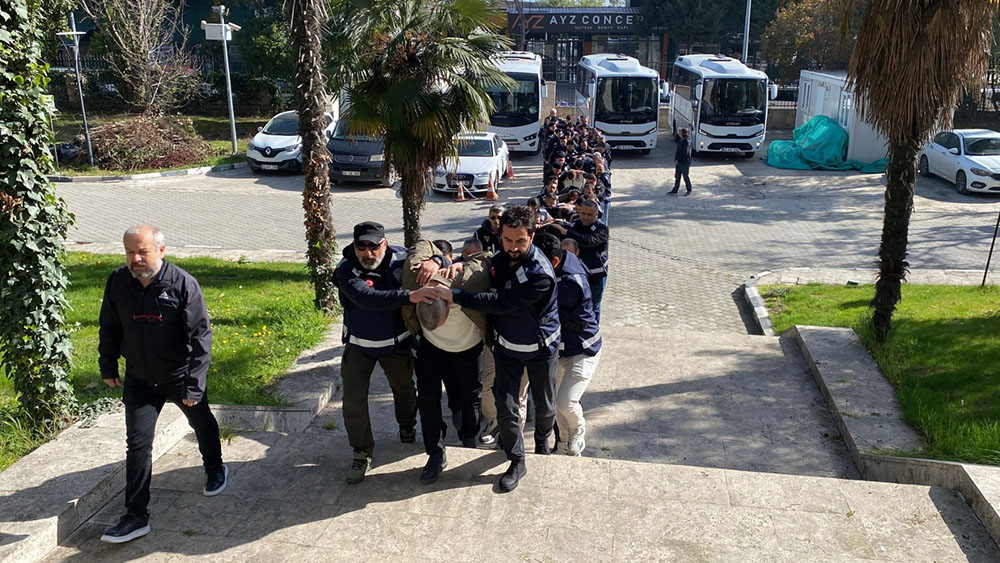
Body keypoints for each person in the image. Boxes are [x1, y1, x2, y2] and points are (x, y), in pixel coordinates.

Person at [98, 226, 226, 544]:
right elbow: (109, 325)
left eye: (143, 252)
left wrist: (194, 385)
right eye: (130, 252)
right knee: (138, 445)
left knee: (202, 423)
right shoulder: (118, 281)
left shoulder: (183, 284)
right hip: (140, 378)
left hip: (179, 375)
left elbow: (201, 337)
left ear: (161, 250)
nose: (136, 259)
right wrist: (108, 365)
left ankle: (215, 467)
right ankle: (135, 516)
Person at [436, 205, 560, 493]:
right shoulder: (501, 259)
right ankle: (517, 460)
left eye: (520, 241)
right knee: (505, 405)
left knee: (546, 406)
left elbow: (501, 303)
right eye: (507, 240)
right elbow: (481, 263)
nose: (513, 247)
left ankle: (542, 440)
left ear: (532, 236)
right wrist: (457, 265)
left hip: (540, 348)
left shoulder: (540, 275)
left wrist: (455, 295)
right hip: (507, 347)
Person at [334, 221, 438, 484]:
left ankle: (407, 428)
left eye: (373, 246)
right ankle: (361, 452)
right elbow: (367, 298)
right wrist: (410, 296)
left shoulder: (401, 259)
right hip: (359, 345)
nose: (368, 253)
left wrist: (434, 261)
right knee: (353, 401)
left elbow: (432, 248)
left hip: (396, 345)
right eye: (361, 247)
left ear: (385, 244)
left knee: (405, 391)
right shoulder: (346, 269)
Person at [401, 241, 490, 484]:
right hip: (431, 348)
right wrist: (437, 260)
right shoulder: (417, 276)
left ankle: (469, 436)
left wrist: (460, 266)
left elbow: (486, 257)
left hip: (468, 348)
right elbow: (422, 244)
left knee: (471, 396)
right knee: (427, 399)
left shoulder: (469, 283)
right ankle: (435, 452)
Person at [535, 234, 602, 456]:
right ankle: (564, 442)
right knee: (555, 403)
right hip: (562, 348)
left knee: (566, 401)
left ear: (554, 262)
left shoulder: (570, 283)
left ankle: (578, 430)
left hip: (583, 348)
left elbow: (539, 303)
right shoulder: (564, 259)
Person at [549, 200, 609, 323]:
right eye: (583, 213)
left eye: (589, 214)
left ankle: (593, 328)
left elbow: (587, 241)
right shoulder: (576, 224)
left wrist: (566, 232)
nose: (585, 217)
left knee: (594, 305)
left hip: (596, 275)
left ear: (596, 214)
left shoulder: (601, 229)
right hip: (578, 273)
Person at [670, 128, 693, 196]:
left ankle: (689, 189)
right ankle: (675, 190)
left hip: (684, 162)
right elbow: (678, 151)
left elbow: (685, 153)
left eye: (680, 132)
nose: (679, 133)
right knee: (677, 176)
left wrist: (679, 160)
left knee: (685, 176)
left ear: (683, 133)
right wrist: (676, 159)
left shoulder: (686, 142)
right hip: (679, 161)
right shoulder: (681, 140)